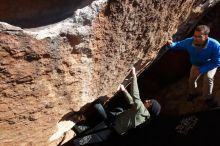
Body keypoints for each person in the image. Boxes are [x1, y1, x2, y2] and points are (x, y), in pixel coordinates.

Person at [71, 67, 161, 145]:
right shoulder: (143, 115)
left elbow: (136, 96)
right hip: (114, 128)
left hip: (112, 126)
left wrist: (134, 76)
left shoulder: (142, 111)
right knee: (115, 111)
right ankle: (81, 129)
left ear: (150, 107)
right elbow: (132, 102)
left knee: (97, 107)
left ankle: (79, 128)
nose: (146, 100)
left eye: (149, 102)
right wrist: (124, 90)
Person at [167, 25, 220, 102]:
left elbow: (217, 61)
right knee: (191, 80)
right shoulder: (189, 41)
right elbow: (178, 45)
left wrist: (202, 70)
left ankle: (207, 98)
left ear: (206, 36)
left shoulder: (215, 45)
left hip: (210, 63)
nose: (195, 38)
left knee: (208, 78)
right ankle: (193, 93)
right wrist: (171, 44)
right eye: (195, 36)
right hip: (196, 64)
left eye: (199, 36)